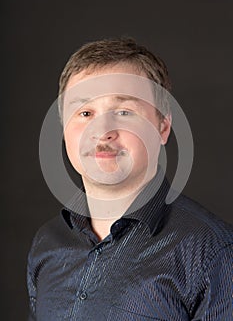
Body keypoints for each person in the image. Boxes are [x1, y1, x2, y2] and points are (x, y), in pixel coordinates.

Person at [27, 38, 233, 321]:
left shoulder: (213, 253)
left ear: (163, 127)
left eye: (124, 112)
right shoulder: (47, 243)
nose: (102, 131)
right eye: (85, 113)